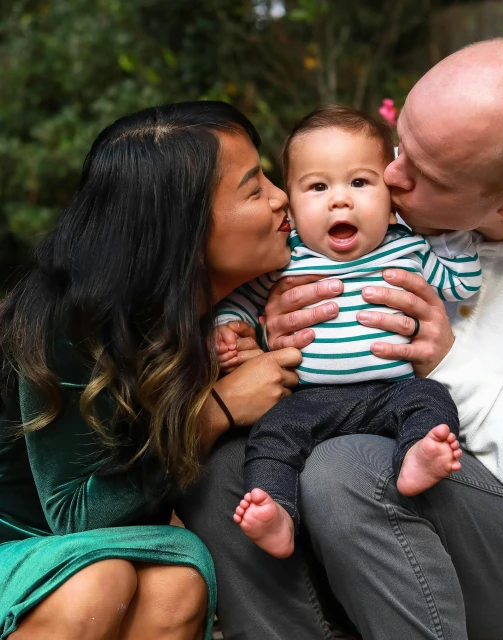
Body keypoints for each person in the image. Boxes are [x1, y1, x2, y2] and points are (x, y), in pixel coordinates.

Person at [179, 38, 503, 639]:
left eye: (424, 175)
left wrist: (446, 360)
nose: (391, 179)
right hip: (363, 537)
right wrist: (275, 340)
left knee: (347, 466)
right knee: (226, 471)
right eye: (401, 147)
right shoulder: (382, 206)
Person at [0, 101, 301, 640]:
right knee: (99, 579)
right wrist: (216, 411)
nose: (282, 197)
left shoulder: (240, 304)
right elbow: (72, 518)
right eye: (255, 189)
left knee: (178, 584)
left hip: (106, 557)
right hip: (29, 546)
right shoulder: (70, 323)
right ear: (182, 230)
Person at [215, 104, 482, 558]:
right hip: (309, 398)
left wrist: (443, 230)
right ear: (292, 206)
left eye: (360, 182)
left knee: (433, 400)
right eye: (317, 187)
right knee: (271, 437)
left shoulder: (407, 247)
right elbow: (242, 296)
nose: (340, 199)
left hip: (391, 390)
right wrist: (230, 325)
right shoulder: (288, 259)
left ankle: (416, 454)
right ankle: (275, 510)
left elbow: (462, 281)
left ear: (390, 194)